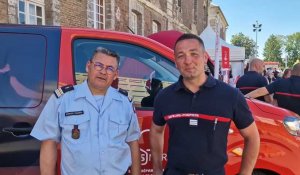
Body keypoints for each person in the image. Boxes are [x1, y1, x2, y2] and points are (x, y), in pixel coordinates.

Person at [150, 34, 260, 175]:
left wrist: (245, 173)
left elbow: (252, 137)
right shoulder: (164, 97)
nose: (188, 61)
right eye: (181, 56)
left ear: (205, 58)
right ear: (176, 62)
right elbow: (156, 131)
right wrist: (157, 169)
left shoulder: (231, 96)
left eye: (194, 54)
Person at [30, 47, 141, 175]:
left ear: (115, 75)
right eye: (98, 65)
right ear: (88, 66)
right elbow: (49, 143)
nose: (103, 72)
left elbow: (133, 143)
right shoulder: (63, 99)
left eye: (110, 68)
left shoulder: (125, 102)